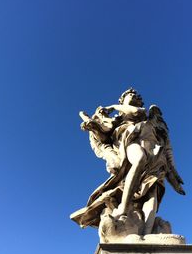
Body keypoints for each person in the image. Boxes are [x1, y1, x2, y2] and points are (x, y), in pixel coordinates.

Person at [71, 88, 185, 235]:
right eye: (128, 95)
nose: (132, 96)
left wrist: (174, 175)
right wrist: (93, 126)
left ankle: (147, 233)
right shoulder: (117, 120)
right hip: (131, 141)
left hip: (156, 153)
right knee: (139, 159)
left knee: (152, 194)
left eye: (135, 95)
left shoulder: (150, 119)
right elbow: (103, 133)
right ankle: (123, 209)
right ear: (122, 101)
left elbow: (167, 147)